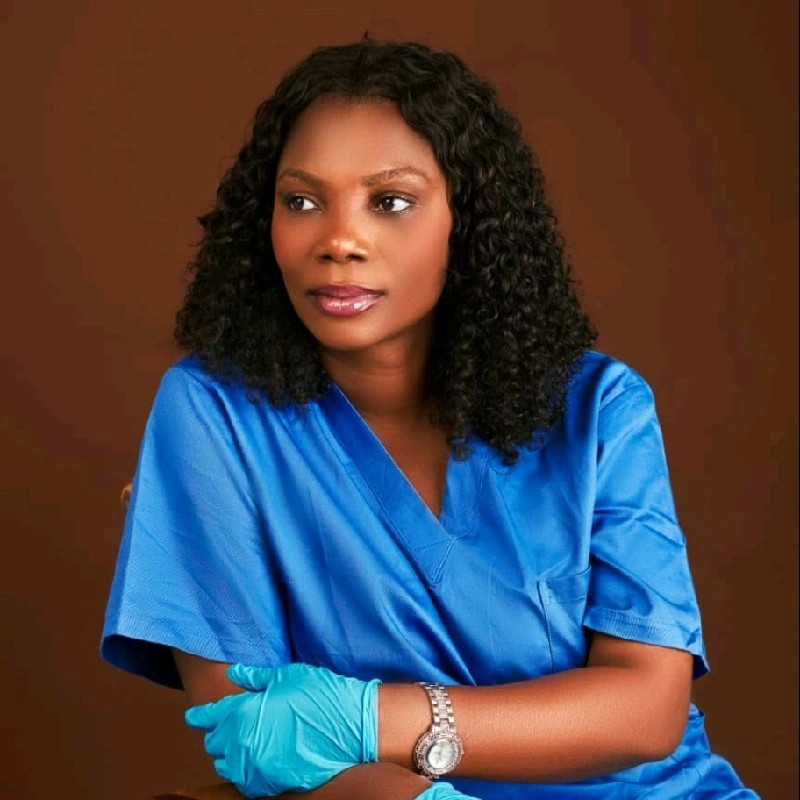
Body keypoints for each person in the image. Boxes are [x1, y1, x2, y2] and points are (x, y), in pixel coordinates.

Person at [101, 40, 758, 799]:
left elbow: (647, 712)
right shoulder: (213, 415)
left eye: (390, 201)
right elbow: (258, 740)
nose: (338, 241)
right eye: (302, 201)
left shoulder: (599, 409)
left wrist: (371, 716)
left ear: (466, 221)